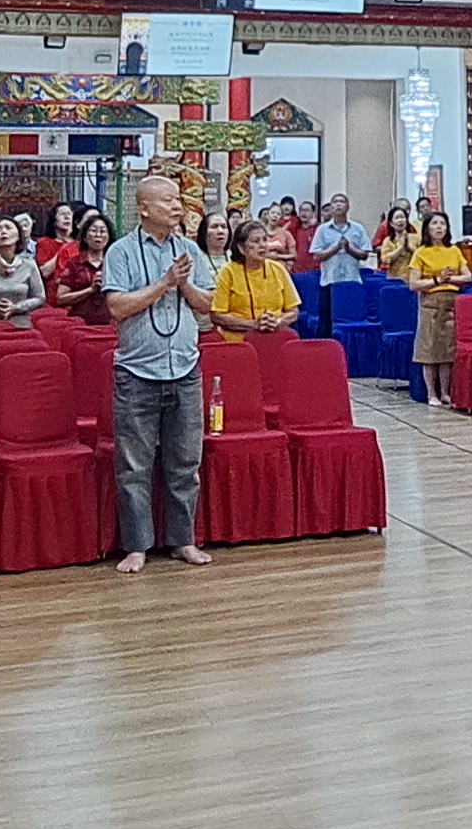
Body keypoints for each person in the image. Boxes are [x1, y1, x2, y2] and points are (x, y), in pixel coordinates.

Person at [101, 173, 221, 571]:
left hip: (184, 368)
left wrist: (183, 285)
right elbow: (117, 306)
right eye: (168, 200)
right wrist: (165, 282)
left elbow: (206, 304)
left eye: (178, 200)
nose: (177, 206)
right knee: (134, 467)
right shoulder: (120, 251)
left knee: (185, 464)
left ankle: (183, 540)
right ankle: (137, 546)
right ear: (144, 208)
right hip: (137, 372)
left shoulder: (189, 249)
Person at [407, 210, 471, 404]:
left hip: (451, 302)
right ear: (427, 228)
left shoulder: (454, 251)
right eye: (435, 224)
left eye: (442, 224)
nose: (439, 227)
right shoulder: (421, 252)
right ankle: (431, 393)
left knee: (447, 350)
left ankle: (445, 392)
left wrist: (449, 279)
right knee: (429, 350)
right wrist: (437, 280)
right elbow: (413, 284)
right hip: (430, 303)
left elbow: (468, 277)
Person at [211, 218, 302, 335]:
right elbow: (217, 315)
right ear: (241, 248)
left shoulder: (278, 269)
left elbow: (294, 312)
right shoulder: (227, 272)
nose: (262, 245)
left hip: (274, 335)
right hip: (238, 340)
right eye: (256, 241)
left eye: (265, 240)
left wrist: (277, 321)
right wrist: (253, 324)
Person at [306, 193, 371, 333]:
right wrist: (335, 248)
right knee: (327, 325)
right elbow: (316, 256)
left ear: (348, 207)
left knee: (350, 324)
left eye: (342, 202)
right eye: (335, 202)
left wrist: (349, 249)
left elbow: (364, 255)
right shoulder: (322, 230)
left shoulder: (358, 228)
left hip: (352, 281)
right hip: (329, 282)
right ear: (331, 208)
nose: (338, 204)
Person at [0, 212, 49, 324]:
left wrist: (16, 307)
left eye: (8, 228)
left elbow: (40, 298)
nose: (3, 232)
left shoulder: (29, 265)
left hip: (23, 321)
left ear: (18, 236)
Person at [53, 209, 120, 326]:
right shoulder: (74, 263)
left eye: (103, 231)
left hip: (110, 324)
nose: (98, 235)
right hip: (79, 324)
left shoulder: (116, 263)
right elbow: (60, 299)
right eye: (93, 231)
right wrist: (90, 290)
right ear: (84, 237)